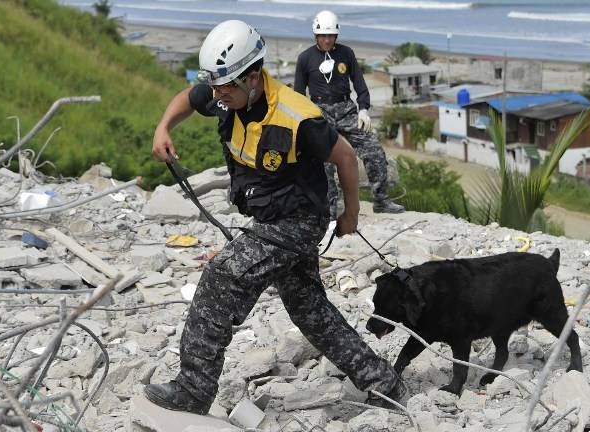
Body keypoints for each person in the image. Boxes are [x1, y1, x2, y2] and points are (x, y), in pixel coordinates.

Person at [146, 19, 405, 415]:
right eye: (215, 88)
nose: (218, 96)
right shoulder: (224, 93)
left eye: (225, 88)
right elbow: (189, 97)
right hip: (268, 220)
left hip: (300, 220)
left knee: (222, 276)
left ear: (252, 78)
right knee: (309, 310)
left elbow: (346, 157)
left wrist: (350, 212)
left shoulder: (298, 116)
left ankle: (193, 390)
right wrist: (163, 127)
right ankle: (383, 383)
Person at [294, 10, 405, 217]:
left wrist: (364, 109)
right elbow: (298, 94)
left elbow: (360, 84)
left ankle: (381, 200)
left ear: (336, 35)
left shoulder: (346, 53)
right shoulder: (305, 58)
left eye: (331, 35)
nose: (327, 40)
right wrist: (303, 121)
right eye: (323, 35)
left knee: (374, 149)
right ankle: (331, 207)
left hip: (347, 110)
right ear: (316, 35)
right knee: (324, 160)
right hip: (320, 112)